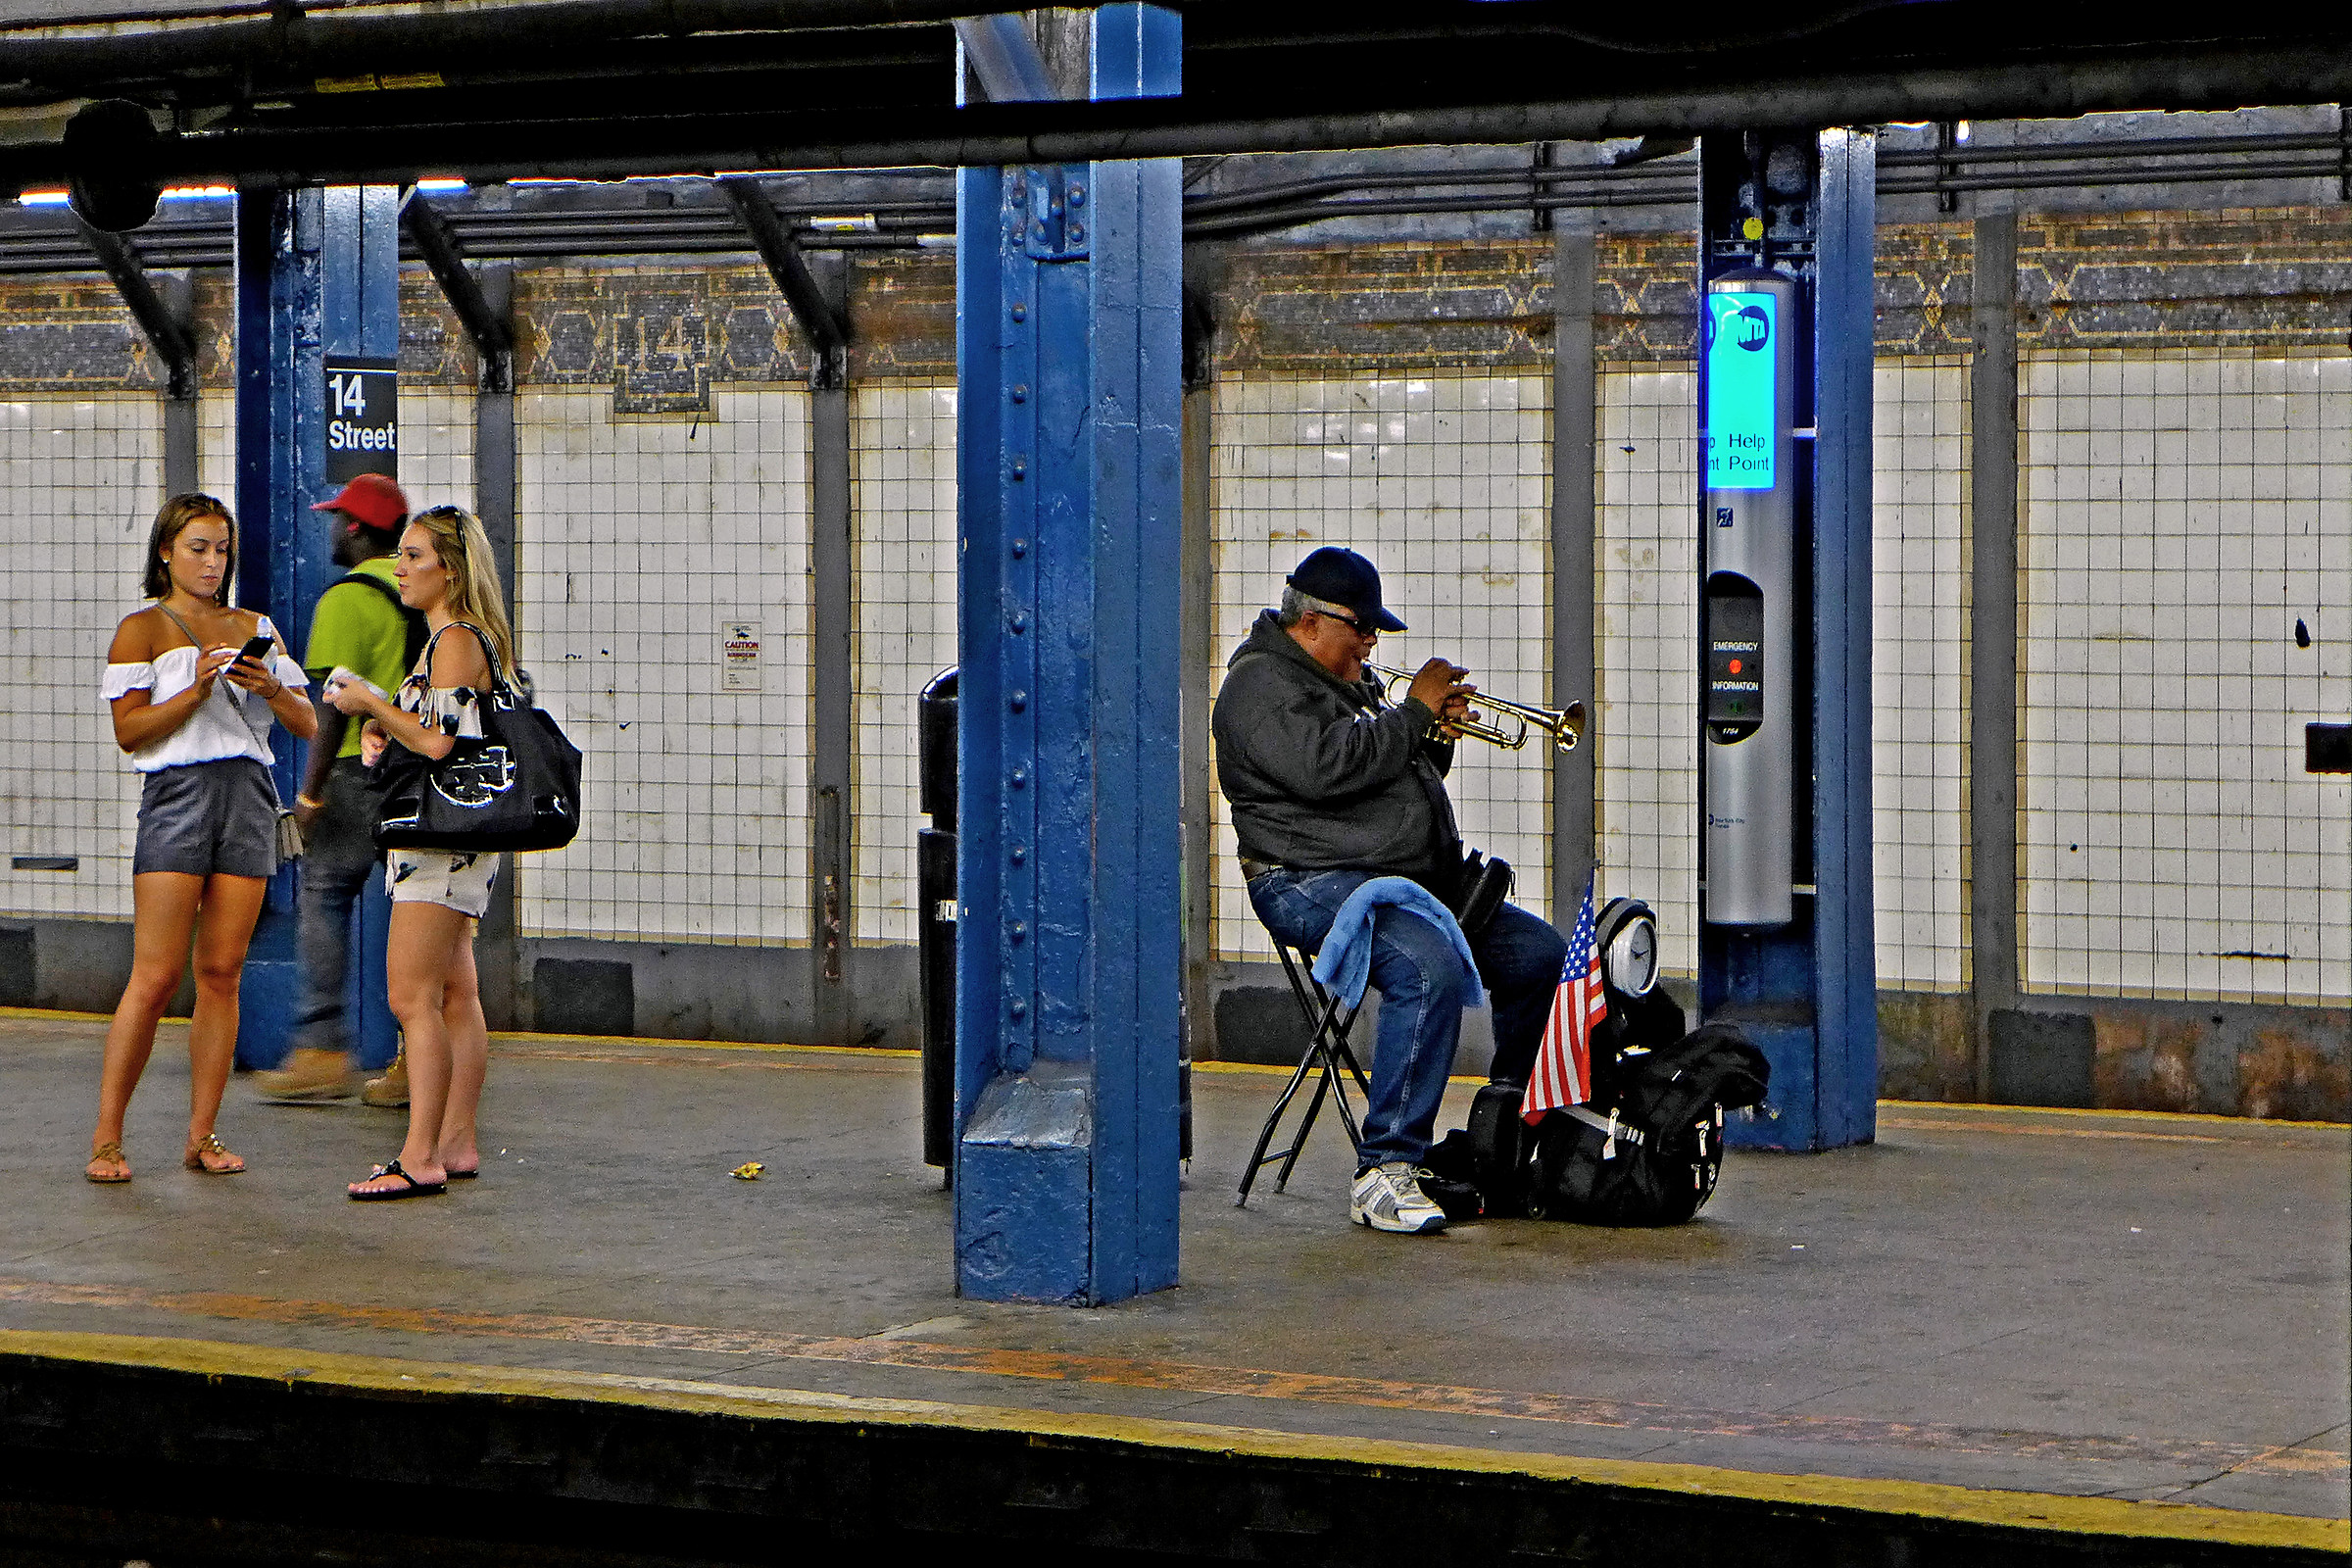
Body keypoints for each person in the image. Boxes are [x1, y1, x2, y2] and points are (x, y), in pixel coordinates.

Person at [1211, 546, 1569, 1236]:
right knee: (1426, 968)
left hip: (1406, 880)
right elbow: (1327, 770)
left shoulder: (1347, 680)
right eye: (1362, 628)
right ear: (1312, 624)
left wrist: (1436, 735)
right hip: (1307, 879)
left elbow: (1388, 774)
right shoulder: (1258, 688)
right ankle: (1386, 1169)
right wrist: (1410, 716)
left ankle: (1513, 1130)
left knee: (1543, 958)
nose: (1373, 641)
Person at [86, 494, 318, 1183]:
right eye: (198, 548)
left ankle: (203, 1134)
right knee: (155, 976)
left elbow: (307, 723)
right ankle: (106, 1138)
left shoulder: (255, 626)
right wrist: (195, 689)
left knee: (221, 972)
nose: (213, 562)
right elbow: (129, 731)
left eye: (222, 550)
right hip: (177, 797)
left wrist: (268, 688)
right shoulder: (141, 630)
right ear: (165, 550)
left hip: (248, 796)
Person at [322, 505, 513, 1200]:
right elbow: (436, 733)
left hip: (438, 845)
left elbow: (439, 745)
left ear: (451, 570)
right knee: (457, 994)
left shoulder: (457, 640)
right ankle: (455, 1142)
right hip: (452, 843)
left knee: (411, 998)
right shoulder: (455, 640)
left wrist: (370, 701)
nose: (399, 568)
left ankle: (419, 1155)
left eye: (413, 557)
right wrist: (383, 730)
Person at [254, 471, 420, 1108]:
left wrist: (310, 796)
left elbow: (331, 713)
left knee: (323, 896)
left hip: (357, 773)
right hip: (416, 774)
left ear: (355, 529)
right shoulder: (418, 591)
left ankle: (322, 1049)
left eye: (336, 520)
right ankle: (413, 1060)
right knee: (418, 913)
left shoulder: (345, 599)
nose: (330, 530)